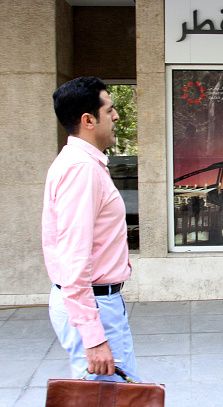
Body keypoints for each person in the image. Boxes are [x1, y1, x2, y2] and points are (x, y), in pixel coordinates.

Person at [42, 76, 140, 382]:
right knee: (116, 398)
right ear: (88, 120)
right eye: (109, 109)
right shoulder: (81, 170)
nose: (116, 116)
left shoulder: (81, 163)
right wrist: (95, 338)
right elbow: (73, 258)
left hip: (95, 303)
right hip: (95, 305)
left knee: (108, 396)